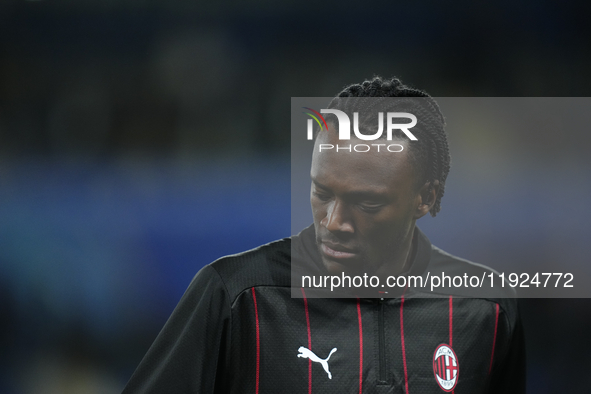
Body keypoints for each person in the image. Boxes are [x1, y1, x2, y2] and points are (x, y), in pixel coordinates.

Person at [122, 76, 526, 393]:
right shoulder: (238, 297)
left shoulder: (486, 310)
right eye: (322, 193)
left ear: (426, 198)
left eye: (367, 204)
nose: (333, 222)